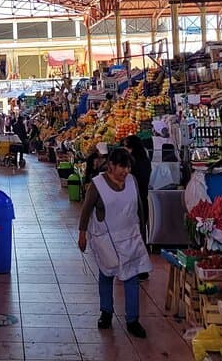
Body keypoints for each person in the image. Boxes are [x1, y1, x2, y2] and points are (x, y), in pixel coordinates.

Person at [78, 148, 150, 338]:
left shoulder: (132, 181)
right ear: (110, 166)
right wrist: (82, 234)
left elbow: (139, 209)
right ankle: (106, 313)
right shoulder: (97, 185)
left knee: (132, 277)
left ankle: (133, 320)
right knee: (106, 274)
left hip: (130, 238)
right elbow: (86, 210)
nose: (125, 171)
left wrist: (143, 235)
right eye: (122, 167)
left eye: (127, 167)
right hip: (106, 239)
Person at [125, 134, 153, 249]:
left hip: (134, 196)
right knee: (141, 220)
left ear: (132, 147)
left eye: (126, 146)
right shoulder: (145, 160)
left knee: (133, 222)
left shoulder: (132, 161)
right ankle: (141, 244)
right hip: (144, 195)